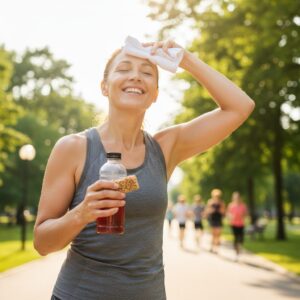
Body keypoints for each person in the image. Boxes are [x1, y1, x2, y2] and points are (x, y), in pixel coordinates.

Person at [33, 37, 255, 300]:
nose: (136, 77)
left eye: (147, 73)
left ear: (155, 94)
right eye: (124, 69)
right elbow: (42, 243)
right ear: (105, 86)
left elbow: (241, 107)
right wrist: (81, 214)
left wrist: (186, 60)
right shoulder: (73, 148)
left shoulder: (165, 147)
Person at [227, 191, 248, 261]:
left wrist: (242, 215)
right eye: (235, 198)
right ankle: (237, 252)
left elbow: (245, 214)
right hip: (234, 224)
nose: (237, 199)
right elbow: (228, 214)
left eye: (238, 197)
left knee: (241, 238)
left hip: (241, 224)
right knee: (236, 238)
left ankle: (239, 248)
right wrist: (231, 217)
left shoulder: (243, 205)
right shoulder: (231, 205)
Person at [205, 189, 226, 253]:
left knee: (218, 234)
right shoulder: (210, 202)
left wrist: (219, 210)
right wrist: (212, 210)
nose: (216, 197)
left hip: (218, 219)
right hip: (212, 219)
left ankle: (217, 248)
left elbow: (223, 212)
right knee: (213, 234)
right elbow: (207, 211)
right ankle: (212, 247)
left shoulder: (221, 202)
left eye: (217, 196)